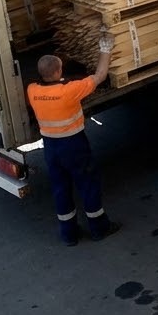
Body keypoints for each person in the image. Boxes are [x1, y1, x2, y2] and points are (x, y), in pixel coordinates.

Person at [26, 32, 121, 245]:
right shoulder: (69, 91)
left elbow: (47, 81)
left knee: (60, 188)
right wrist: (105, 48)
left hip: (51, 147)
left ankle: (69, 234)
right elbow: (100, 76)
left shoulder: (32, 91)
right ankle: (99, 227)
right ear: (59, 71)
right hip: (73, 145)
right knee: (87, 184)